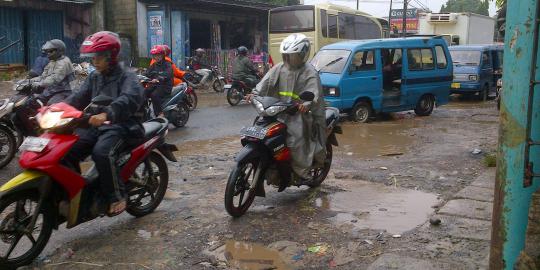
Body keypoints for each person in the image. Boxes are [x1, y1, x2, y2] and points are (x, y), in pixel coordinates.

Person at [64, 31, 145, 216]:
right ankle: (78, 193)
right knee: (68, 150)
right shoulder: (95, 77)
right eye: (93, 57)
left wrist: (108, 112)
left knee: (101, 153)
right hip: (97, 125)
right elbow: (78, 97)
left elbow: (129, 98)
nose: (95, 61)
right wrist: (56, 108)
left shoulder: (127, 76)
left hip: (123, 125)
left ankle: (116, 196)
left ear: (111, 56)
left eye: (99, 57)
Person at [249, 33, 327, 186]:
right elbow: (264, 83)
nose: (288, 59)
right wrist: (254, 94)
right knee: (259, 131)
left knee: (295, 141)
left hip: (298, 114)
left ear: (302, 55)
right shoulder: (279, 68)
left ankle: (301, 172)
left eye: (292, 56)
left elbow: (314, 94)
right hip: (277, 111)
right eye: (286, 55)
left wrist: (306, 104)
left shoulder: (310, 72)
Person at [30, 39, 74, 105]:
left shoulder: (64, 62)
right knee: (33, 101)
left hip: (65, 91)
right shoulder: (53, 61)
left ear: (59, 51)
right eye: (47, 51)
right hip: (53, 89)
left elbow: (54, 79)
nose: (48, 53)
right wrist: (30, 81)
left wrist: (40, 84)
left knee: (51, 105)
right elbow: (43, 76)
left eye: (51, 51)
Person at [145, 45, 173, 117]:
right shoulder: (154, 65)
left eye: (158, 55)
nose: (156, 57)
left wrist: (159, 78)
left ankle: (160, 113)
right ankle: (144, 111)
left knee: (154, 95)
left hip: (165, 86)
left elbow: (168, 73)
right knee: (143, 92)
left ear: (162, 55)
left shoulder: (167, 64)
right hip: (155, 85)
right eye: (154, 55)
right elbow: (147, 73)